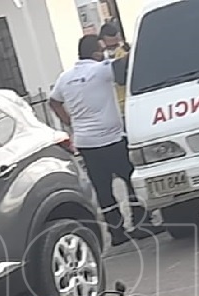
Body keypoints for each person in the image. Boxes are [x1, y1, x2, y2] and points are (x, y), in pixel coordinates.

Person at [49, 35, 154, 247]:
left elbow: (53, 102)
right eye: (102, 49)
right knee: (130, 180)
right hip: (112, 138)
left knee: (102, 189)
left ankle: (116, 232)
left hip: (86, 143)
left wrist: (71, 123)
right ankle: (141, 224)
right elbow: (126, 67)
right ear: (96, 53)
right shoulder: (102, 70)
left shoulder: (65, 78)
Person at [99, 23, 132, 115]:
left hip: (127, 103)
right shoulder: (97, 62)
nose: (113, 49)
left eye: (115, 45)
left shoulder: (125, 53)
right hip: (111, 109)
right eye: (110, 47)